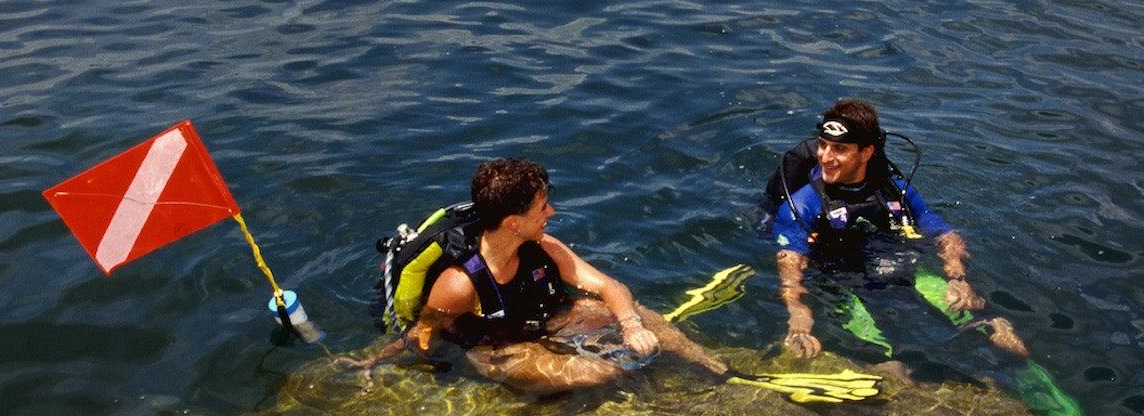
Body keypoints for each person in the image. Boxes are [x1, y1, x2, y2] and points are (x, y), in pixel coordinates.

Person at [348, 158, 726, 393]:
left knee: (643, 315)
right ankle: (624, 371)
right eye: (543, 208)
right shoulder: (459, 284)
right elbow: (424, 332)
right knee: (592, 374)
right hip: (496, 347)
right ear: (513, 222)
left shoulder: (545, 246)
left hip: (546, 319)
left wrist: (629, 325)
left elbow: (609, 286)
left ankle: (708, 364)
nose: (552, 213)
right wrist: (377, 361)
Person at [766, 98, 1027, 359]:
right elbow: (789, 260)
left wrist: (958, 278)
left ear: (866, 152)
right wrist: (798, 314)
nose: (825, 157)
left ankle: (1026, 373)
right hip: (842, 282)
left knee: (991, 323)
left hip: (901, 268)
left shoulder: (893, 189)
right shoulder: (801, 204)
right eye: (823, 146)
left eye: (839, 149)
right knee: (891, 358)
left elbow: (944, 232)